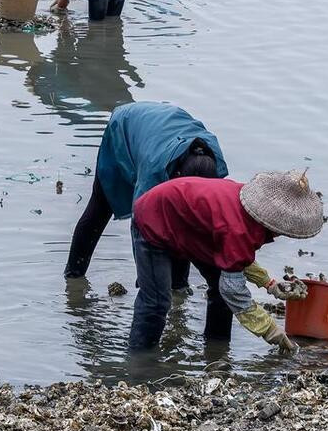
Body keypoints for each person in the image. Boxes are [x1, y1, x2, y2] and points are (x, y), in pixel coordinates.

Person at [66, 102, 228, 329]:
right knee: (100, 208)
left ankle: (178, 287)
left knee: (183, 222)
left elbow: (199, 225)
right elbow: (141, 227)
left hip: (163, 128)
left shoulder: (215, 169)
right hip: (125, 127)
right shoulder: (154, 171)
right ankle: (73, 278)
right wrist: (147, 275)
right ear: (177, 177)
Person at [129, 171, 321, 354]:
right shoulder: (238, 228)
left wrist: (270, 285)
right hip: (153, 219)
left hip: (190, 225)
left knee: (219, 289)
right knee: (156, 302)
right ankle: (141, 361)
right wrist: (270, 330)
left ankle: (216, 348)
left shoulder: (248, 209)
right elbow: (234, 291)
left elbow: (236, 257)